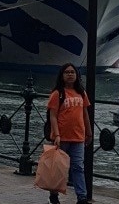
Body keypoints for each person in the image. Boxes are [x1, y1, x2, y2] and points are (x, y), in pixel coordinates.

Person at [46, 63, 92, 204]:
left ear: (77, 75)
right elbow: (53, 116)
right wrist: (57, 135)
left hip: (78, 136)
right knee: (59, 168)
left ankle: (82, 197)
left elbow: (85, 114)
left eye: (72, 72)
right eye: (67, 72)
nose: (70, 74)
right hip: (62, 137)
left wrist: (89, 132)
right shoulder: (57, 94)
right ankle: (54, 194)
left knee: (78, 166)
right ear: (62, 75)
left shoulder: (81, 93)